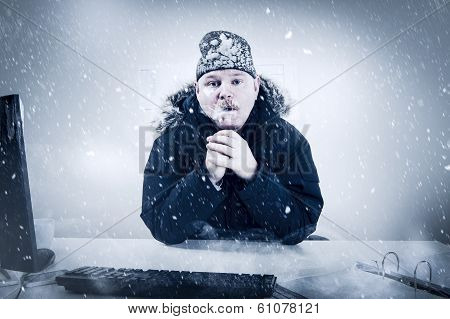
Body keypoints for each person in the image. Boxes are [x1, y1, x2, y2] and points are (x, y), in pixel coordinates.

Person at [141, 31, 323, 245]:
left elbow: (303, 223)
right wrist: (205, 178)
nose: (225, 92)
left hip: (270, 264)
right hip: (196, 268)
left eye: (236, 81)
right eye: (213, 83)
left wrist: (253, 175)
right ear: (197, 90)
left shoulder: (288, 139)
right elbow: (162, 227)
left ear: (255, 87)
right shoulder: (170, 142)